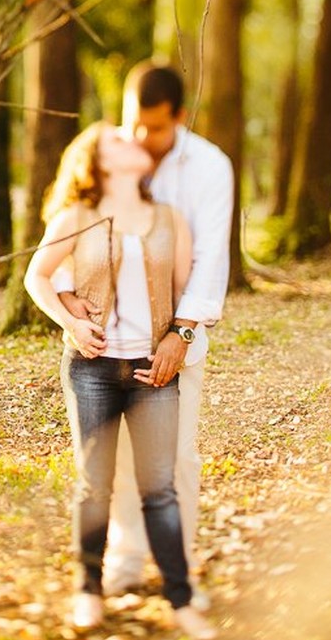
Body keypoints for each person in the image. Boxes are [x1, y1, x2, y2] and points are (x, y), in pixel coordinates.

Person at [24, 121, 217, 639]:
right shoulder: (78, 217)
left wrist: (179, 338)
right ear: (97, 161)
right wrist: (69, 318)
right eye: (115, 138)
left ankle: (180, 599)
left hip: (151, 371)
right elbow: (36, 276)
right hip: (92, 371)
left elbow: (182, 297)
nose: (130, 138)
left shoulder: (169, 219)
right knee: (96, 484)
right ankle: (88, 589)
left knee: (161, 488)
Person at [54, 63, 234, 604]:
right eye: (134, 125)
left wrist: (180, 332)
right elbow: (71, 230)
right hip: (106, 348)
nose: (142, 139)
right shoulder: (112, 157)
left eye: (154, 128)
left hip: (175, 339)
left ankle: (179, 572)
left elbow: (209, 257)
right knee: (115, 463)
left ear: (179, 117)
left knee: (173, 461)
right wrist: (67, 302)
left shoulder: (208, 166)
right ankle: (125, 562)